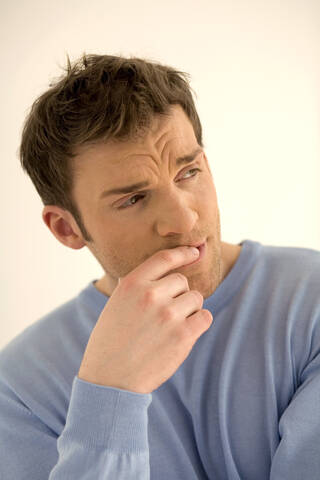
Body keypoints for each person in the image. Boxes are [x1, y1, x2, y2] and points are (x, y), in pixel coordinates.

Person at [0, 53, 319, 480]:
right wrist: (111, 393)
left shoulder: (310, 301)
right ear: (66, 228)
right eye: (133, 199)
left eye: (188, 172)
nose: (184, 220)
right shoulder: (19, 388)